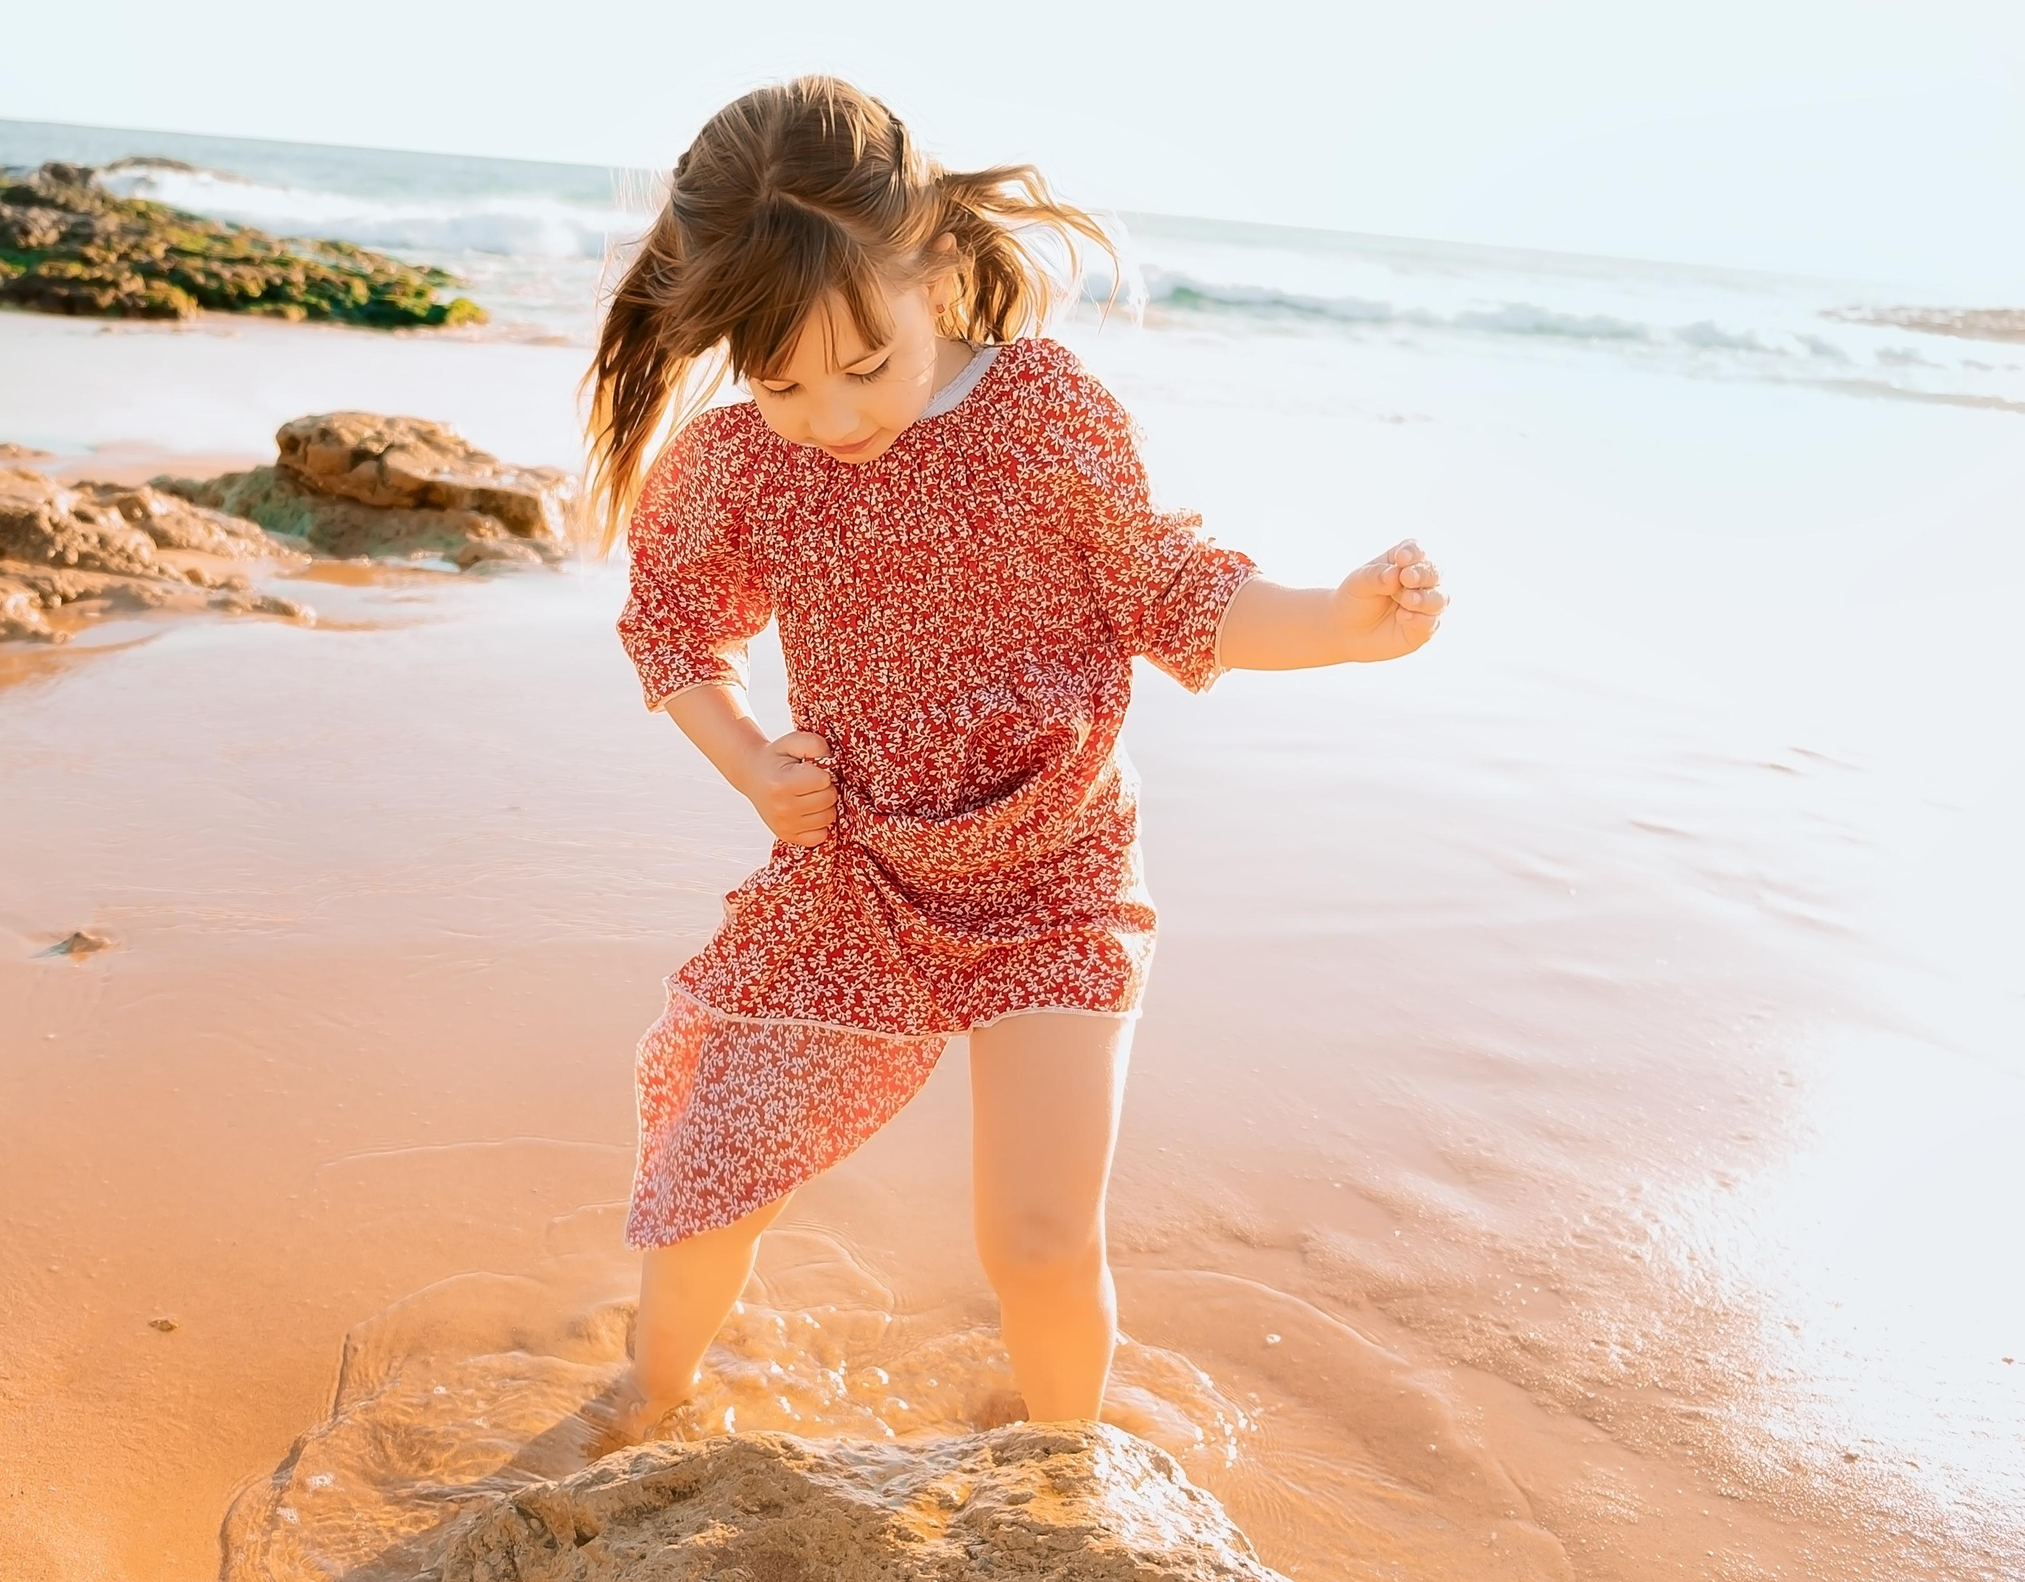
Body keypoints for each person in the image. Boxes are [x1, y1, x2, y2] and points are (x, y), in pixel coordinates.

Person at [586, 76, 1445, 1431]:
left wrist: (1338, 625)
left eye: (864, 366)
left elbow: (1171, 594)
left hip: (1056, 872)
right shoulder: (745, 462)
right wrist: (750, 763)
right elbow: (673, 627)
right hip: (856, 875)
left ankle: (1064, 1468)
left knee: (1039, 1239)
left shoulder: (1046, 415)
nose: (831, 416)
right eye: (781, 381)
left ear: (932, 266)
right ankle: (644, 1399)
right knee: (712, 1183)